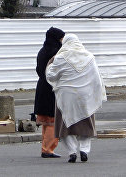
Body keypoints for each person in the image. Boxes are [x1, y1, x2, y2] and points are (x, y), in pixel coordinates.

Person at [46, 33, 107, 163]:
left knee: (65, 125)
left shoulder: (60, 57)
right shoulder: (89, 57)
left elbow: (51, 76)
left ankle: (72, 152)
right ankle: (84, 150)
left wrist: (50, 65)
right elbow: (96, 77)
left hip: (66, 95)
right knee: (86, 124)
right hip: (85, 96)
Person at [33, 27, 65, 158]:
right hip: (52, 88)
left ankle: (45, 147)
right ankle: (48, 149)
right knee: (53, 120)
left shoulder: (42, 51)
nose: (63, 40)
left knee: (46, 121)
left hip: (42, 86)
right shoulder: (56, 52)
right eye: (61, 37)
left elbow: (38, 69)